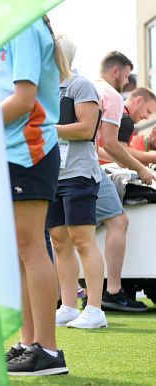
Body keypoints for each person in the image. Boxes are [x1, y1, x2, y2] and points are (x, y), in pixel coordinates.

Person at [0, 16, 69, 375]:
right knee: (20, 249)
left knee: (31, 246)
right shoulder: (12, 27)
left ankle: (47, 351)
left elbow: (23, 99)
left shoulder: (23, 26)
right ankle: (28, 343)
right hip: (11, 150)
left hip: (29, 150)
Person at [47, 35, 107, 329]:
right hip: (51, 176)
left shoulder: (80, 85)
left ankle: (95, 308)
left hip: (79, 174)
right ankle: (68, 306)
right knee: (59, 242)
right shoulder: (43, 88)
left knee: (83, 240)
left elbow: (86, 129)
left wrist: (48, 129)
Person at [93, 52, 152, 312]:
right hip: (85, 170)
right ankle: (112, 291)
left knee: (74, 236)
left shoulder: (83, 88)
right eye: (127, 75)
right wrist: (142, 167)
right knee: (118, 221)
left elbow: (103, 146)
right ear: (116, 72)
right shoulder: (111, 96)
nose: (126, 82)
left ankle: (78, 297)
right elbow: (113, 145)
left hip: (65, 168)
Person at [108, 87, 156, 165]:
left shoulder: (116, 111)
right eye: (148, 111)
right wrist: (150, 157)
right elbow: (120, 153)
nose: (147, 117)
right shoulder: (126, 121)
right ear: (138, 101)